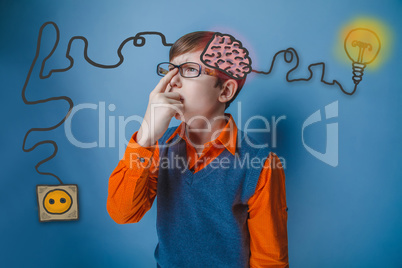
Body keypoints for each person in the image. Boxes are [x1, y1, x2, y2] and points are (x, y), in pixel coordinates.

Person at [107, 31, 289, 267]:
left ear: (225, 91)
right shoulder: (156, 149)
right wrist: (146, 137)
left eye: (190, 70)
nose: (172, 81)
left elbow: (270, 260)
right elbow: (123, 213)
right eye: (171, 70)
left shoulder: (260, 164)